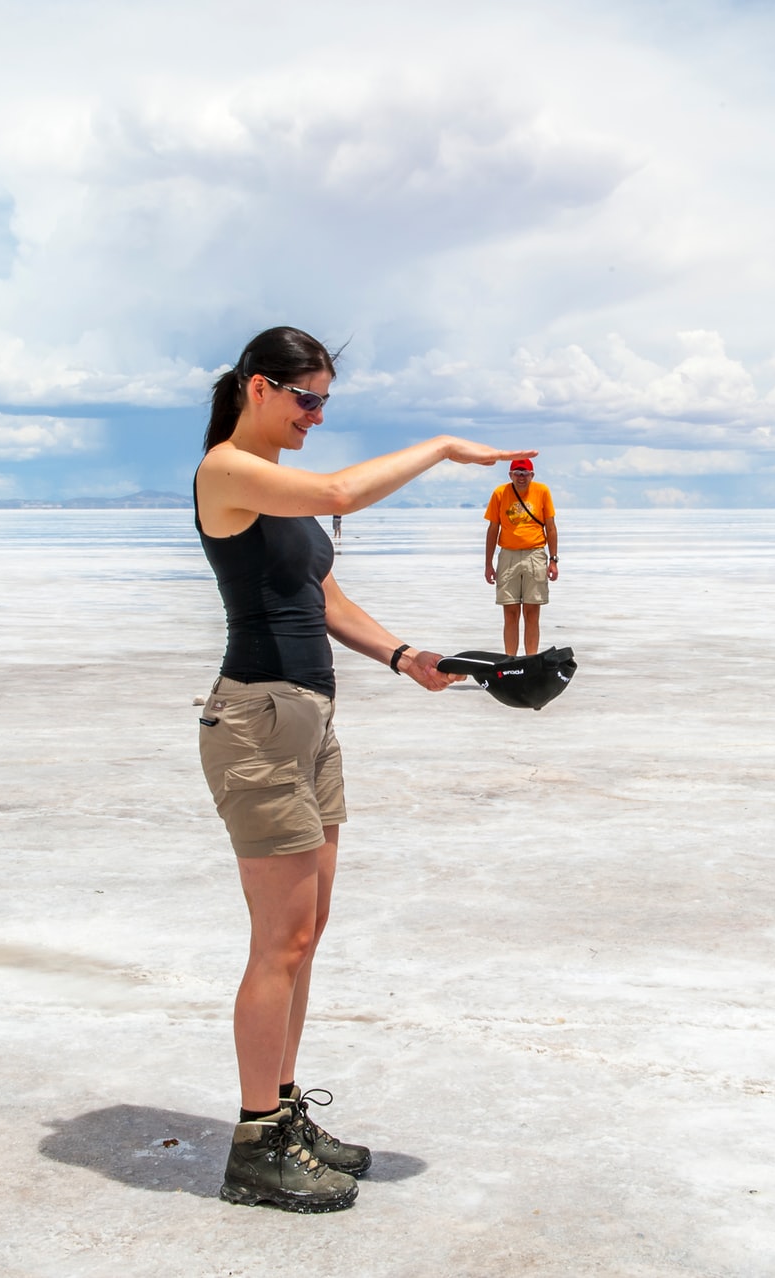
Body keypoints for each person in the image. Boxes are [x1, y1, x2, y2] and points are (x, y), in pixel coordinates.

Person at [192, 326, 532, 1213]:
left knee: (305, 937)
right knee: (280, 941)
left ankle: (285, 1111)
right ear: (258, 388)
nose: (316, 415)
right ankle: (255, 1143)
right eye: (306, 398)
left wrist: (405, 656)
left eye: (326, 403)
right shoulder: (229, 470)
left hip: (309, 720)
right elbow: (346, 488)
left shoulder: (288, 495)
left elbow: (324, 596)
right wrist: (446, 448)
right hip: (258, 721)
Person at [482, 457, 559, 655]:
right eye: (517, 473)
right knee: (510, 612)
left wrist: (553, 560)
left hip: (535, 555)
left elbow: (550, 527)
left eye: (525, 473)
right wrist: (488, 564)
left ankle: (531, 660)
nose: (521, 477)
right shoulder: (500, 493)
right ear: (510, 475)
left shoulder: (542, 491)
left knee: (532, 613)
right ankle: (511, 661)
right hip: (508, 556)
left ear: (532, 475)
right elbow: (493, 528)